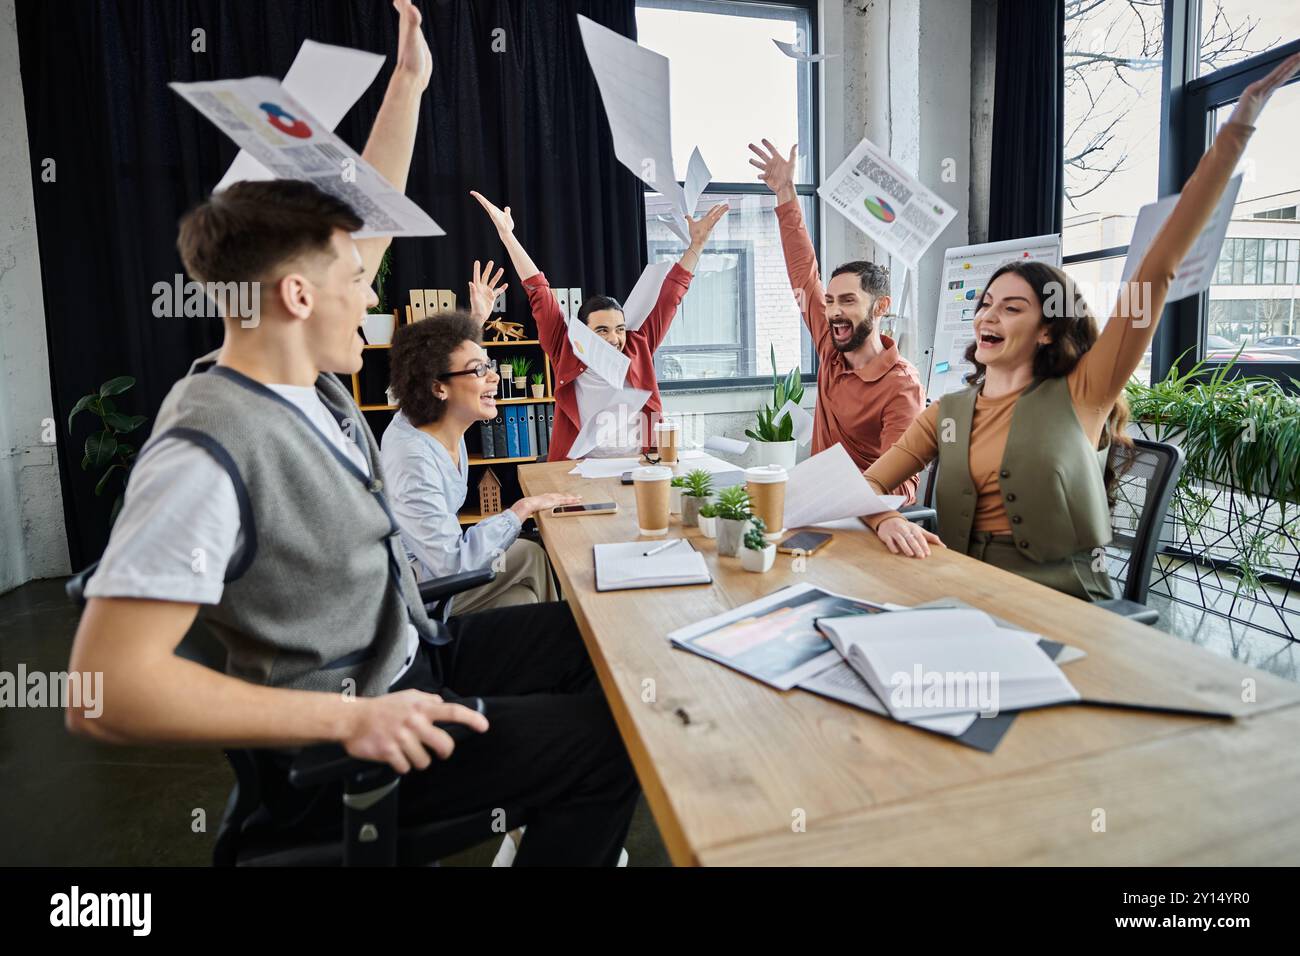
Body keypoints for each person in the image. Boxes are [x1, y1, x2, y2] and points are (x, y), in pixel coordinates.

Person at [64, 0, 640, 866]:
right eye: (355, 280)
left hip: (418, 651)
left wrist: (408, 85)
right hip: (350, 740)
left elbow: (369, 223)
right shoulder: (206, 449)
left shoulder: (304, 376)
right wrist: (348, 720)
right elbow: (102, 688)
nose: (371, 294)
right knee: (611, 746)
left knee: (603, 642)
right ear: (298, 297)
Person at [855, 52, 1300, 601]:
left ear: (1048, 330)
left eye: (1012, 308)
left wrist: (1238, 126)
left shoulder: (1085, 391)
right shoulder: (945, 413)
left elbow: (1156, 272)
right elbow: (868, 484)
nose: (988, 315)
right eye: (986, 304)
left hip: (1063, 598)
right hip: (962, 593)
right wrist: (886, 519)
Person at [471, 189, 728, 460]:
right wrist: (507, 235)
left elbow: (670, 297)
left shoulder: (638, 346)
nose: (614, 339)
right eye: (602, 330)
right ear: (583, 333)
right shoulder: (566, 349)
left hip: (641, 464)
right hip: (581, 468)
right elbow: (539, 291)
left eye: (619, 329)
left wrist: (697, 245)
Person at [381, 271, 580, 614]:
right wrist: (520, 510)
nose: (493, 376)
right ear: (438, 388)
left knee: (523, 594)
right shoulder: (413, 459)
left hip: (437, 568)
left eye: (487, 366)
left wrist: (475, 320)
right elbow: (452, 565)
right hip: (419, 590)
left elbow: (435, 365)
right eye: (479, 370)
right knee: (528, 558)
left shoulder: (430, 417)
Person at [747, 138, 925, 504]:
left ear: (880, 307)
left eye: (848, 301)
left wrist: (842, 495)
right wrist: (785, 192)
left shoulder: (900, 386)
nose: (833, 311)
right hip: (815, 504)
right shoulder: (832, 347)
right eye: (829, 301)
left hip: (860, 516)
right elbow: (803, 273)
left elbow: (904, 487)